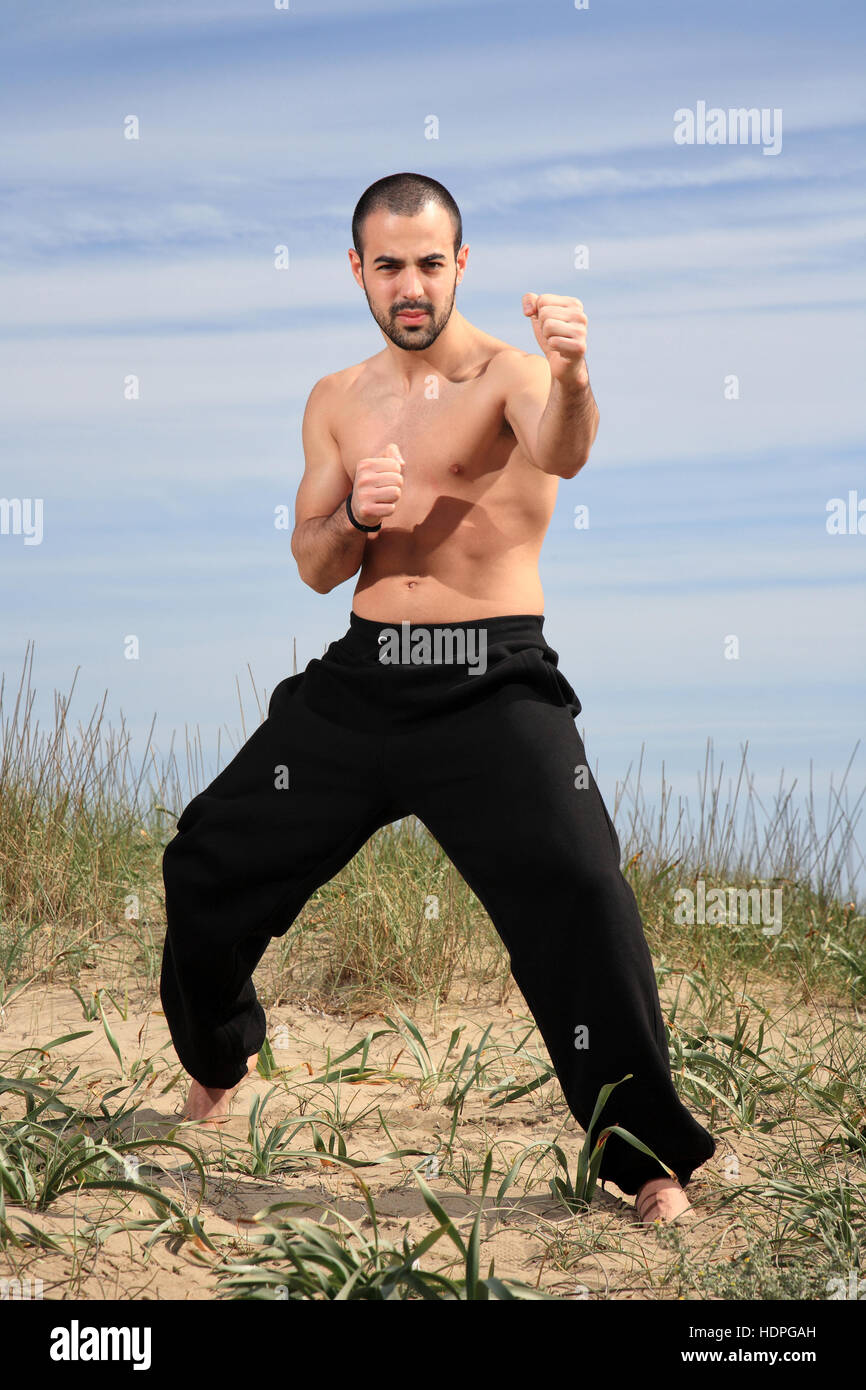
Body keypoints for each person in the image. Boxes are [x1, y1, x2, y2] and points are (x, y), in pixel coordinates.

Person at [160, 171, 715, 1225]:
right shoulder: (334, 397)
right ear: (357, 271)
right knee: (204, 858)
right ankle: (219, 1055)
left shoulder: (513, 377)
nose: (407, 284)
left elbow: (562, 446)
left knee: (582, 888)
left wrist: (575, 372)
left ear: (461, 265)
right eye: (387, 265)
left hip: (491, 684)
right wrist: (358, 523)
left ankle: (645, 1158)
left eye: (427, 262)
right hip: (364, 681)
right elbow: (312, 563)